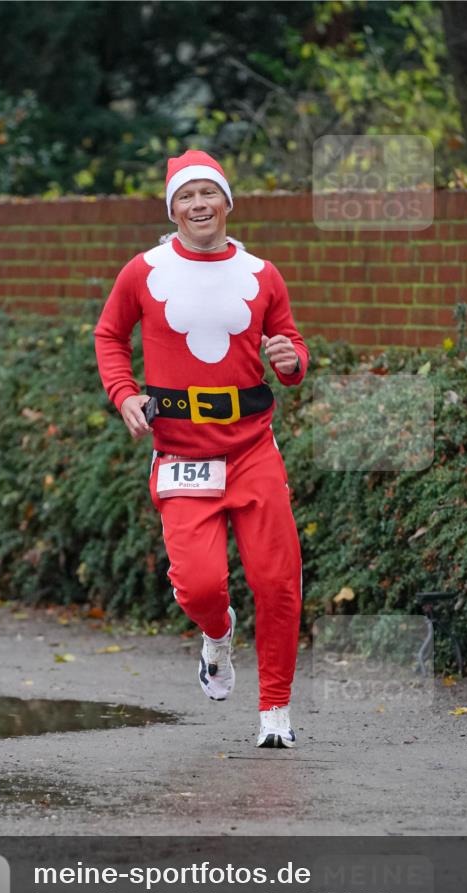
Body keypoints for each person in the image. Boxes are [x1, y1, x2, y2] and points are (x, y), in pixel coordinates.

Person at [94, 150, 309, 748]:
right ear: (173, 209)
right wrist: (124, 392)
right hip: (183, 454)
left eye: (207, 194)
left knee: (277, 581)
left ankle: (275, 712)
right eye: (185, 197)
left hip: (252, 449)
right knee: (199, 586)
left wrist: (292, 361)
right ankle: (218, 635)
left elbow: (288, 341)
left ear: (227, 203)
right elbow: (110, 334)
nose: (198, 205)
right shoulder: (143, 271)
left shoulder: (262, 273)